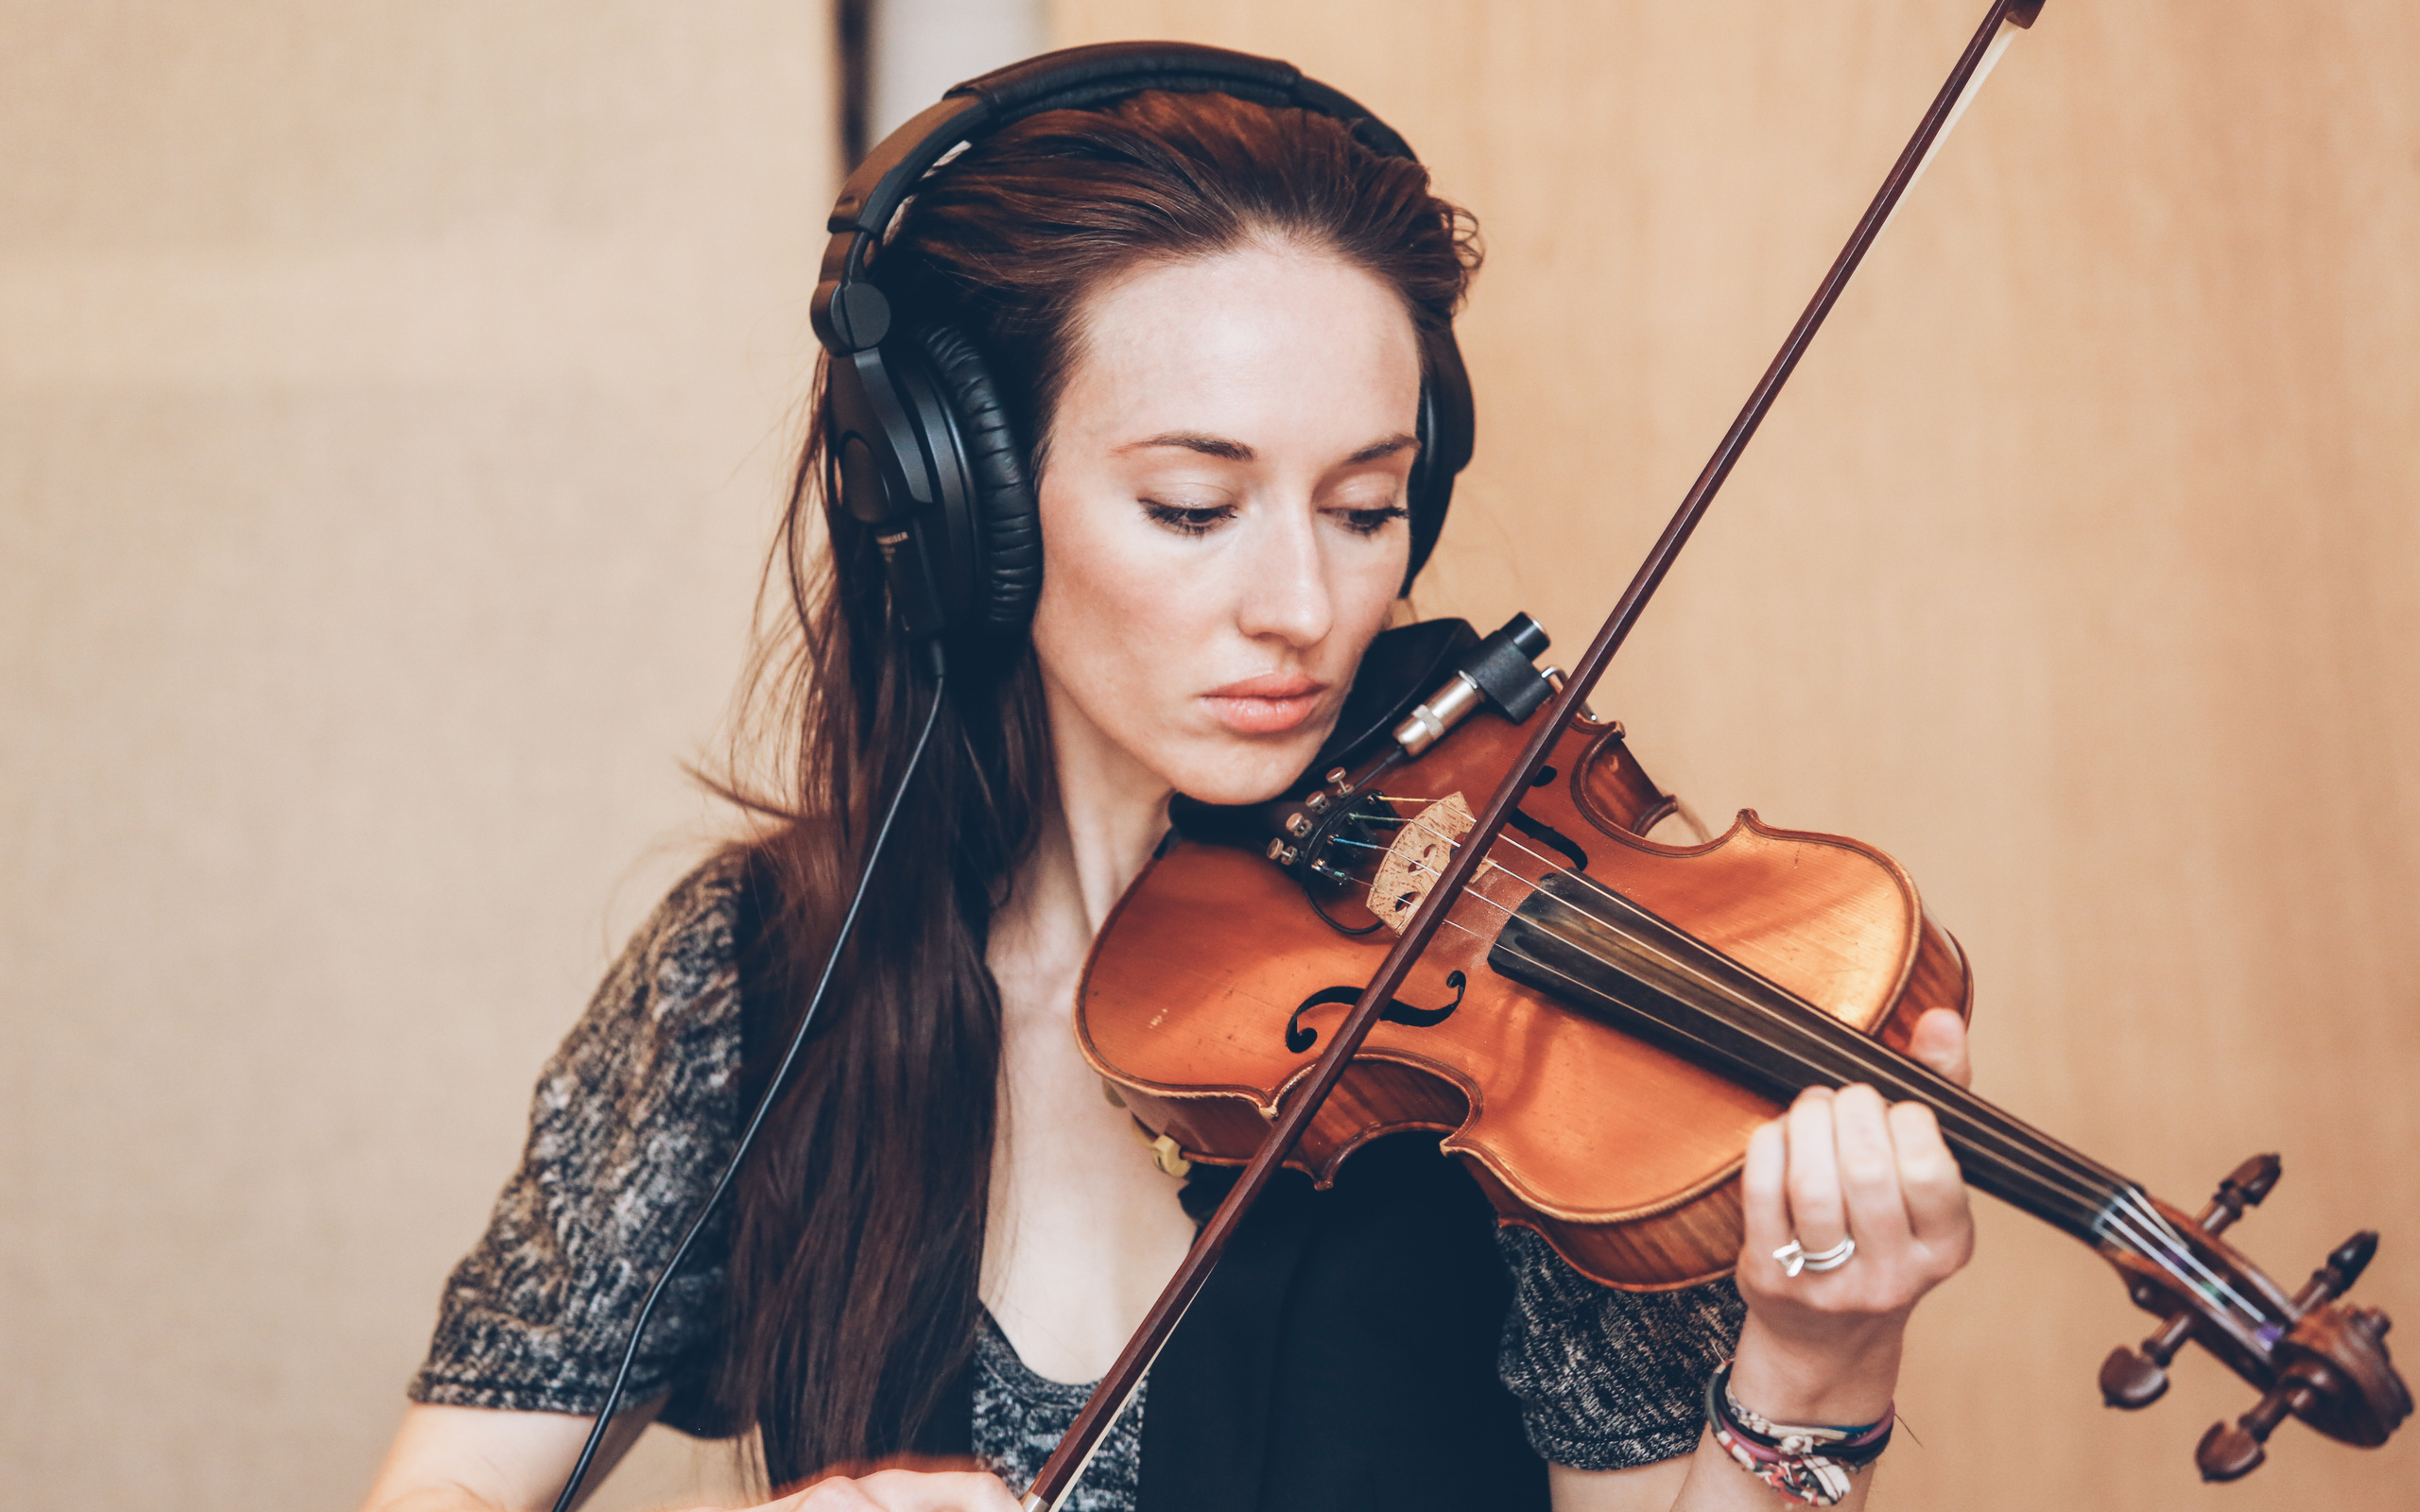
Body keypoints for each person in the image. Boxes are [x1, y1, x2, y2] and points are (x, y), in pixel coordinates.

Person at [357, 53, 1975, 1512]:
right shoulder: (759, 970)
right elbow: (454, 1487)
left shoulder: (1502, 1015)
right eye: (1196, 508)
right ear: (970, 509)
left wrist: (1812, 1377)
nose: (1309, 606)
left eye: (1364, 507)